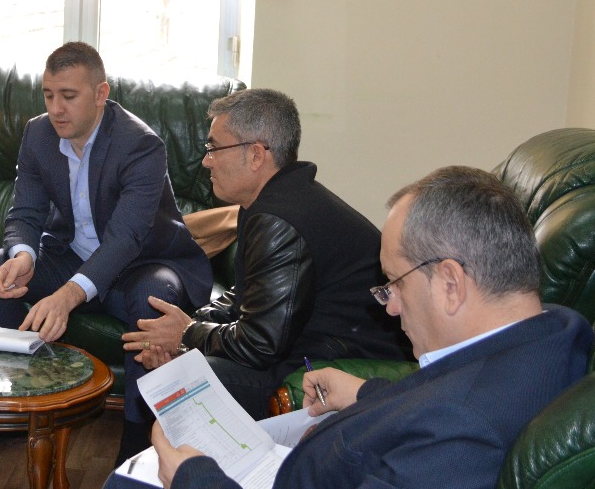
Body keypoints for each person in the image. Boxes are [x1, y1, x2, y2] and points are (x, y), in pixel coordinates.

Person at [87, 166, 593, 489]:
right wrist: (366, 394)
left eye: (394, 283)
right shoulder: (556, 331)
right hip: (326, 481)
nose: (389, 306)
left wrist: (195, 483)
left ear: (451, 283)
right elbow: (449, 391)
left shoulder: (463, 432)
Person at [0, 42, 213, 465]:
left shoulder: (140, 145)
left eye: (68, 96)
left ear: (100, 93)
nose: (56, 108)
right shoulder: (38, 134)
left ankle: (139, 435)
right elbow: (25, 211)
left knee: (152, 299)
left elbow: (125, 239)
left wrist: (68, 296)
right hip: (70, 255)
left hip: (141, 263)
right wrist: (23, 256)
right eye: (49, 95)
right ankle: (2, 412)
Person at [122, 89, 409, 418]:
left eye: (213, 148)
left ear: (256, 155)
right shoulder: (273, 200)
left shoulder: (280, 217)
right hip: (307, 342)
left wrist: (186, 334)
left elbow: (259, 344)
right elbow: (247, 294)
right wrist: (187, 329)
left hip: (350, 359)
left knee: (181, 379)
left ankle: (149, 450)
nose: (205, 161)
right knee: (177, 366)